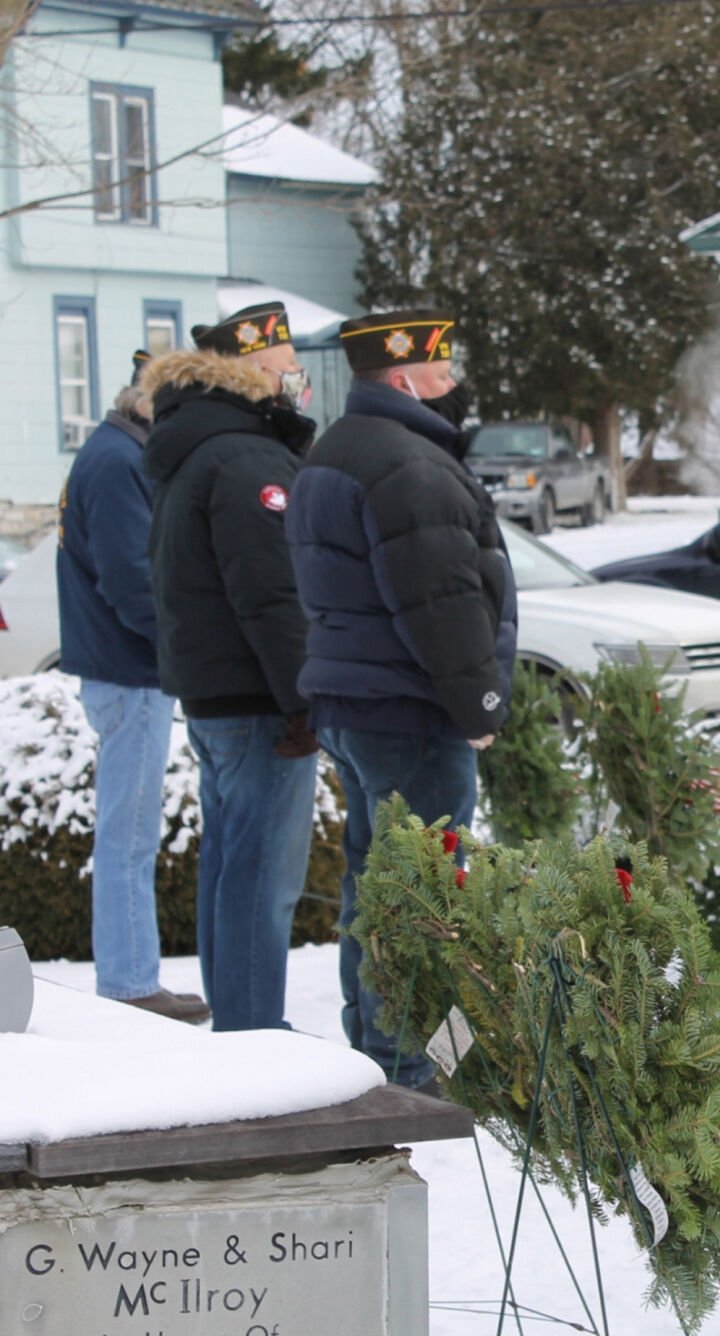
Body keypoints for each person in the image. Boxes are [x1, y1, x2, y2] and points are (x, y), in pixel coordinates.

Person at [286, 309, 516, 1088]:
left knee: (375, 884)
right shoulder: (407, 465)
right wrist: (478, 706)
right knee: (427, 899)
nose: (455, 386)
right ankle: (419, 1065)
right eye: (444, 372)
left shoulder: (336, 451)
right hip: (413, 711)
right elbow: (441, 602)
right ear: (403, 378)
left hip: (357, 706)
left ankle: (379, 1049)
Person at [143, 303, 319, 1032]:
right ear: (250, 370)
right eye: (285, 371)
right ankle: (253, 1036)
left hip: (219, 694)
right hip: (256, 700)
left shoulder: (203, 444)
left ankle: (240, 1024)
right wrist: (304, 698)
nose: (294, 386)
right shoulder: (245, 457)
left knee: (231, 869)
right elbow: (271, 592)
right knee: (259, 881)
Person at [57, 351, 208, 1023]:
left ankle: (130, 976)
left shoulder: (111, 452)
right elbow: (132, 585)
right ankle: (128, 982)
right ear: (150, 403)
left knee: (129, 831)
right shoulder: (119, 464)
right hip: (131, 673)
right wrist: (185, 650)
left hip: (122, 672)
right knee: (129, 834)